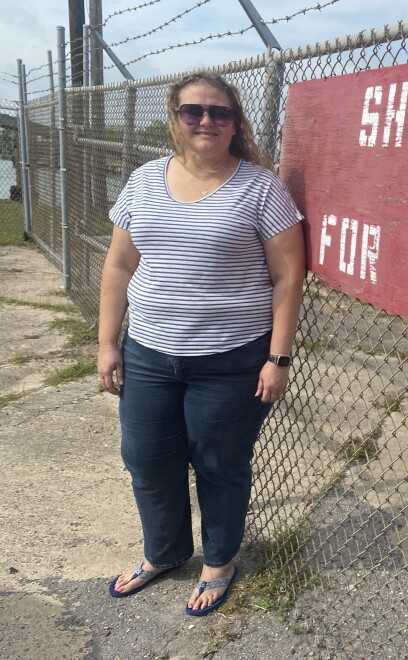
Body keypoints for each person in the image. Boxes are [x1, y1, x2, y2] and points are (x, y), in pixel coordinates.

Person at [97, 71, 306, 616]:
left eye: (220, 113)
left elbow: (289, 277)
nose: (207, 122)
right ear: (175, 119)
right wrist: (107, 342)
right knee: (145, 457)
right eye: (194, 112)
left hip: (230, 359)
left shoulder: (261, 187)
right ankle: (164, 553)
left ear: (235, 123)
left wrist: (278, 357)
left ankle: (219, 561)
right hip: (148, 352)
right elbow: (120, 264)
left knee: (218, 462)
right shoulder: (144, 181)